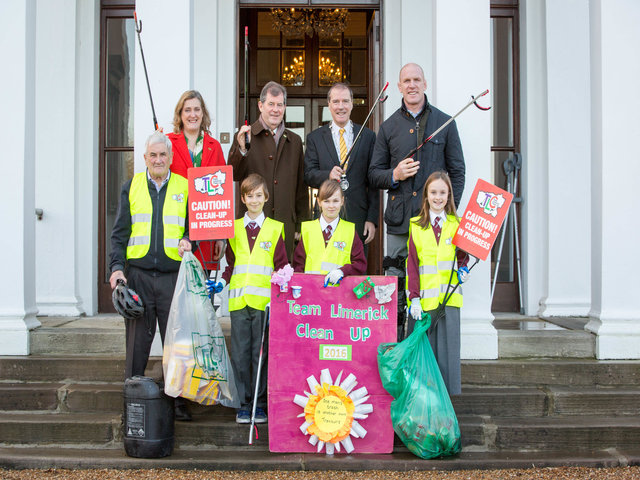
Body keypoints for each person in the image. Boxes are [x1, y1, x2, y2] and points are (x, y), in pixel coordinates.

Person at [368, 63, 465, 340]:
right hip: (400, 221)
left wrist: (447, 210)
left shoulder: (445, 123)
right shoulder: (388, 128)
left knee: (434, 282)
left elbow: (457, 172)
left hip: (435, 224)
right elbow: (374, 175)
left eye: (416, 80)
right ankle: (398, 342)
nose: (411, 85)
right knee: (399, 282)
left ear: (425, 84)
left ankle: (434, 344)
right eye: (406, 81)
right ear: (399, 86)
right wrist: (394, 175)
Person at [109, 130, 193, 420]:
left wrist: (189, 239)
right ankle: (131, 402)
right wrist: (116, 269)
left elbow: (194, 227)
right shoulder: (130, 187)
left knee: (176, 342)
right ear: (144, 158)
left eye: (163, 155)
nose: (158, 159)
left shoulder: (185, 186)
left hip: (172, 276)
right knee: (136, 345)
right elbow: (119, 233)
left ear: (171, 158)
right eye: (153, 155)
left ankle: (178, 401)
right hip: (139, 277)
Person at [209, 174, 288, 424]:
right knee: (240, 353)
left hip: (264, 302)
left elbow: (281, 265)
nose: (254, 200)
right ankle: (243, 404)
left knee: (260, 354)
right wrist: (222, 281)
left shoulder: (275, 228)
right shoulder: (232, 228)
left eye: (258, 195)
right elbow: (231, 264)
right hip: (238, 302)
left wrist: (280, 289)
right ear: (242, 199)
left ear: (265, 197)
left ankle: (259, 403)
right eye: (249, 195)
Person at [228, 81, 309, 258]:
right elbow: (233, 174)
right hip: (252, 225)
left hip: (285, 226)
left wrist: (301, 225)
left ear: (285, 107)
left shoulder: (294, 141)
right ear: (260, 105)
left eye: (280, 105)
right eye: (271, 104)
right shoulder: (245, 136)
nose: (275, 109)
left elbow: (300, 188)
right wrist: (241, 149)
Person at [406, 171, 469, 396]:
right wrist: (413, 297)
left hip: (450, 300)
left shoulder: (457, 224)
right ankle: (427, 406)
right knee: (426, 358)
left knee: (448, 358)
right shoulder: (416, 226)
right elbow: (412, 265)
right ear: (426, 196)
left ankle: (448, 408)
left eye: (443, 192)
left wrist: (463, 270)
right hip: (424, 302)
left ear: (449, 195)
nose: (438, 197)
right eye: (433, 192)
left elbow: (463, 256)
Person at [304, 83, 379, 253]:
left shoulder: (367, 136)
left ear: (352, 103)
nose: (341, 106)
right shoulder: (315, 138)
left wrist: (372, 219)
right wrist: (327, 175)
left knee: (355, 272)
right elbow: (308, 174)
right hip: (325, 216)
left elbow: (373, 181)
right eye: (336, 101)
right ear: (329, 104)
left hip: (358, 217)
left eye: (345, 101)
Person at [167, 90, 225, 272]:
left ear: (203, 113)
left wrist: (221, 237)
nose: (193, 115)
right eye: (187, 110)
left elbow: (221, 195)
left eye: (197, 110)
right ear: (180, 114)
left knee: (202, 295)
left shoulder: (213, 146)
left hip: (206, 228)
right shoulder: (168, 142)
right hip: (175, 229)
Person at [293, 179, 367, 284]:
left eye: (335, 201)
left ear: (342, 201)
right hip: (312, 292)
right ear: (319, 202)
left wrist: (343, 271)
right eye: (326, 201)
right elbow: (298, 266)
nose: (331, 206)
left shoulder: (349, 231)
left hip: (340, 295)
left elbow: (360, 264)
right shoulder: (308, 230)